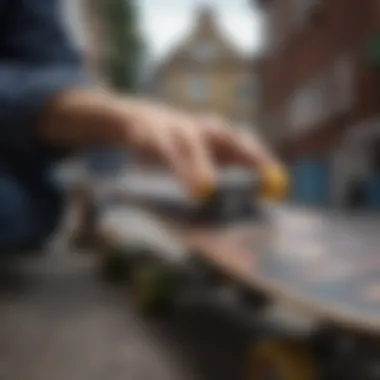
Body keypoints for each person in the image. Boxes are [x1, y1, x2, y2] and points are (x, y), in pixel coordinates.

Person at [0, 0, 285, 254]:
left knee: (39, 206)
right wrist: (72, 105)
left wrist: (84, 106)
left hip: (31, 198)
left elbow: (49, 61)